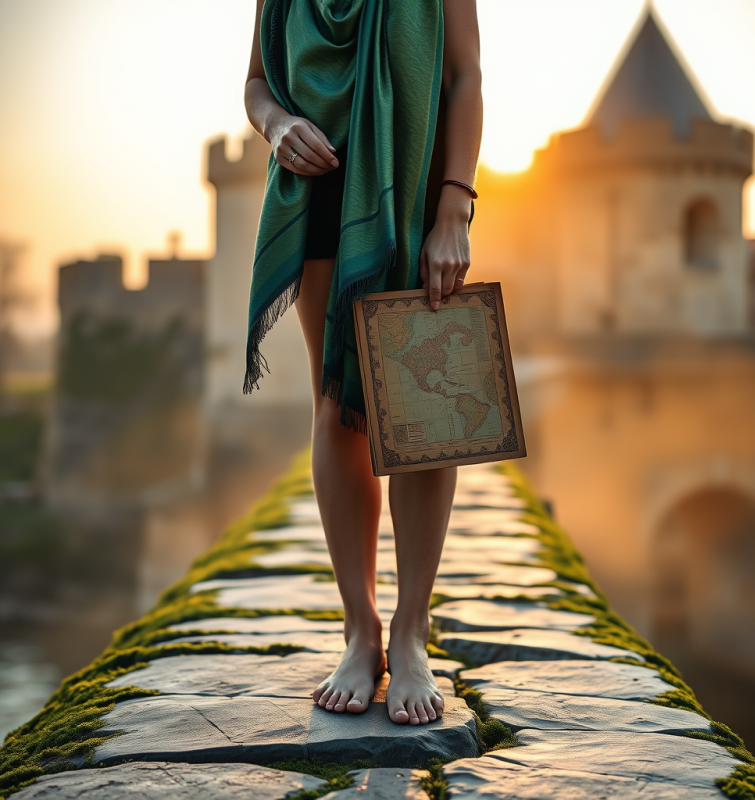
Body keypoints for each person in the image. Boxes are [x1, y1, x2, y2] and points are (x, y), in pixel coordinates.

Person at [243, 0, 482, 726]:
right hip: (318, 189)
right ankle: (362, 629)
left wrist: (455, 210)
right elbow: (257, 81)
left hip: (414, 188)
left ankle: (412, 633)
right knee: (336, 402)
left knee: (424, 409)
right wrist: (279, 127)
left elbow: (467, 74)